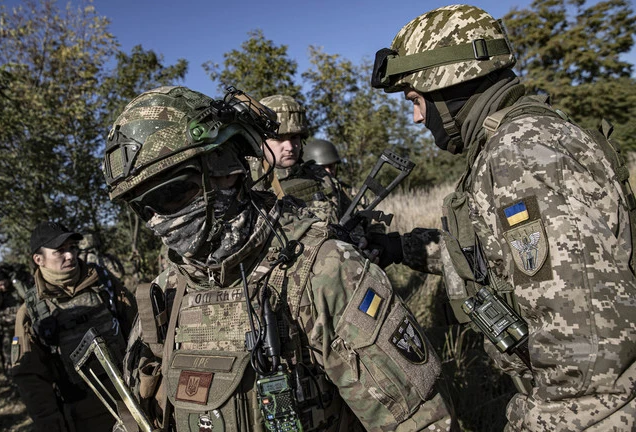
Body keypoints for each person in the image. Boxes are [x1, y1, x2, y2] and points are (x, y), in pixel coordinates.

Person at [101, 85, 454, 431]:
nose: (157, 222)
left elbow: (418, 422)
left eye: (170, 193)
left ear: (225, 170)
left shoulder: (322, 270)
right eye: (140, 207)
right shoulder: (168, 291)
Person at [370, 4, 636, 430]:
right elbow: (505, 261)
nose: (418, 117)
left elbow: (586, 356)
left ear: (450, 83)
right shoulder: (518, 139)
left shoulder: (522, 151)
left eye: (416, 100)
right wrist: (399, 248)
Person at [10, 221, 136, 431]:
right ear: (38, 259)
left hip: (132, 394)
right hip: (85, 414)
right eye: (60, 251)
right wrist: (51, 424)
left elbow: (137, 328)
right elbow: (31, 379)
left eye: (72, 248)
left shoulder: (103, 283)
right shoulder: (31, 311)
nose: (70, 256)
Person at [252, 94, 351, 223]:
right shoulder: (251, 185)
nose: (289, 147)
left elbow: (353, 215)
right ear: (259, 141)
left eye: (294, 137)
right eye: (278, 138)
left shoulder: (319, 175)